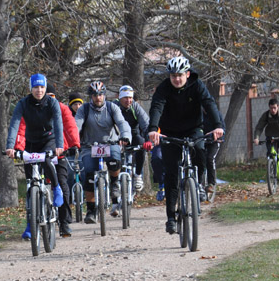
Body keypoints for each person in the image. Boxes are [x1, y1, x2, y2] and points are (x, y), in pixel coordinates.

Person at [147, 56, 225, 234]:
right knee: (172, 175)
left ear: (188, 74)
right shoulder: (164, 88)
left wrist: (218, 126)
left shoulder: (197, 85)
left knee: (199, 149)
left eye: (180, 75)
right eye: (173, 75)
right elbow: (156, 107)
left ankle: (198, 184)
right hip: (170, 132)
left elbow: (209, 104)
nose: (177, 79)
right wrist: (153, 130)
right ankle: (171, 218)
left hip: (193, 129)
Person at [14, 83, 80, 237]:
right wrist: (18, 148)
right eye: (45, 96)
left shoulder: (61, 109)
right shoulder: (31, 109)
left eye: (51, 97)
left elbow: (71, 127)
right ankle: (31, 223)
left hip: (58, 153)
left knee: (63, 186)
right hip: (35, 151)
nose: (48, 100)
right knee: (31, 187)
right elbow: (21, 129)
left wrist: (74, 144)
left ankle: (64, 223)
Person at [5, 73, 65, 239]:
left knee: (46, 160)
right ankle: (30, 226)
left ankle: (56, 187)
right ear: (30, 88)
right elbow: (14, 124)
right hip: (31, 143)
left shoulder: (52, 103)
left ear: (45, 88)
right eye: (36, 87)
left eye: (42, 87)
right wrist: (10, 147)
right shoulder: (23, 104)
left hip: (49, 140)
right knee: (31, 185)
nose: (39, 90)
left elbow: (59, 124)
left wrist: (60, 145)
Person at [75, 80, 131, 222]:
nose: (98, 97)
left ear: (104, 95)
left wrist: (125, 136)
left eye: (100, 94)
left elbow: (122, 123)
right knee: (88, 175)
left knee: (114, 159)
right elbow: (76, 126)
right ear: (90, 96)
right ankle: (91, 210)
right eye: (94, 95)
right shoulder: (84, 109)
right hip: (89, 146)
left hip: (110, 143)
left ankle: (114, 182)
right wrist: (73, 140)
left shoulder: (112, 107)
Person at [114, 85, 150, 192]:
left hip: (134, 136)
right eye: (125, 98)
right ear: (120, 98)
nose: (128, 100)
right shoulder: (113, 106)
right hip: (117, 137)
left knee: (141, 143)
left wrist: (148, 140)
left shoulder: (135, 107)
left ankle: (138, 175)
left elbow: (146, 124)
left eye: (130, 98)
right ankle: (114, 181)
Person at [254, 97, 279, 184]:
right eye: (271, 108)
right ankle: (271, 169)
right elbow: (259, 127)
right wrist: (256, 138)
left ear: (278, 107)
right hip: (270, 137)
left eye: (274, 108)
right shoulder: (266, 115)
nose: (273, 110)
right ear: (269, 107)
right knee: (270, 154)